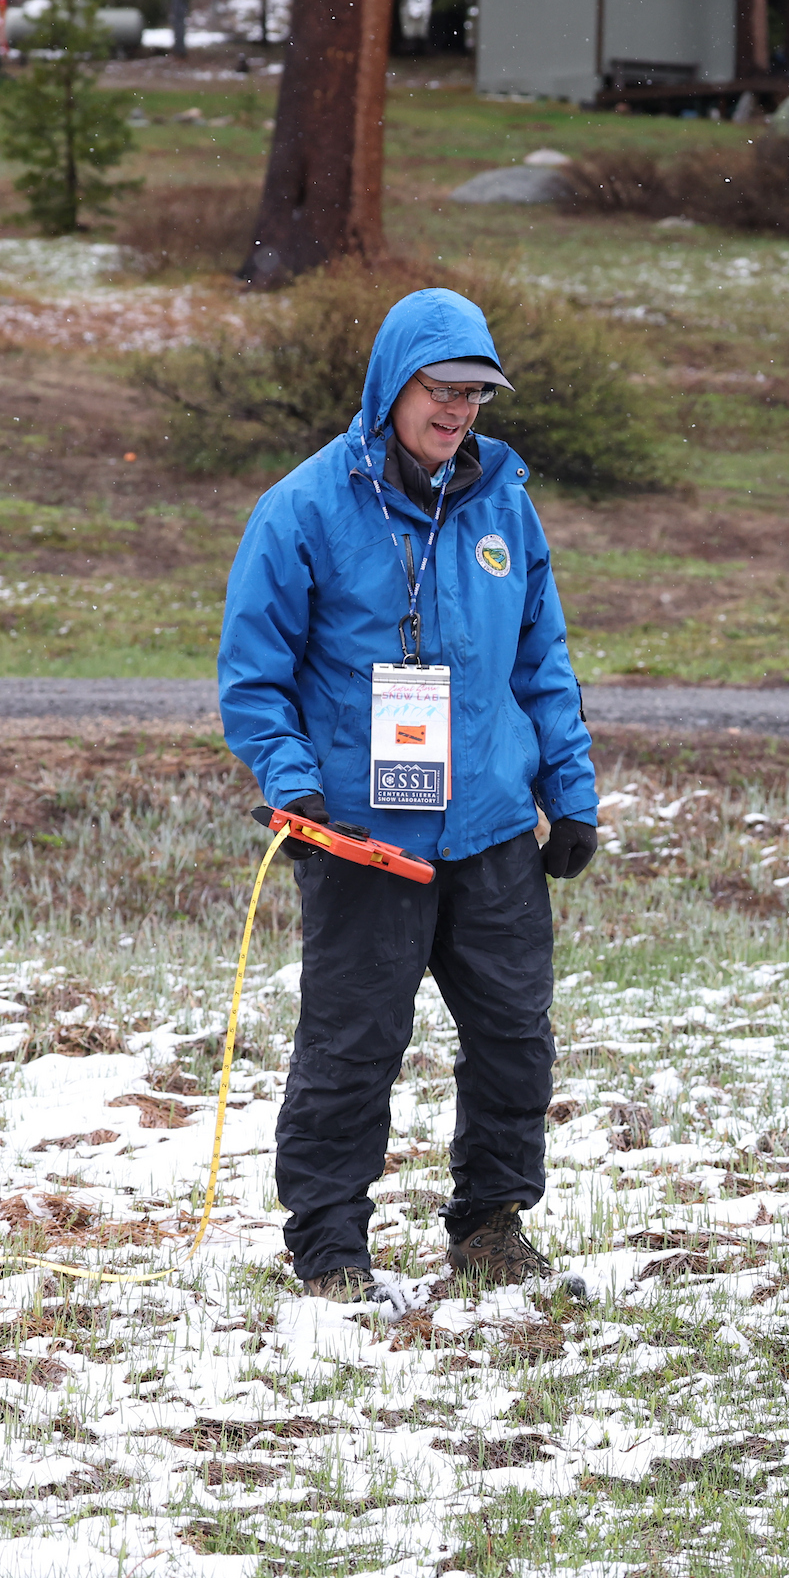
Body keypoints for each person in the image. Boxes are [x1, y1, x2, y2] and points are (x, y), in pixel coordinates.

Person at [218, 289, 601, 1306]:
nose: (459, 411)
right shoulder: (303, 508)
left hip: (492, 831)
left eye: (476, 394)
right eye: (442, 389)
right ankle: (330, 1250)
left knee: (516, 1039)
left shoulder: (505, 503)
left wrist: (571, 793)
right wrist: (296, 789)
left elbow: (543, 661)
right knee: (352, 1048)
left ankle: (490, 1227)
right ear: (393, 385)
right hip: (361, 839)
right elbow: (254, 678)